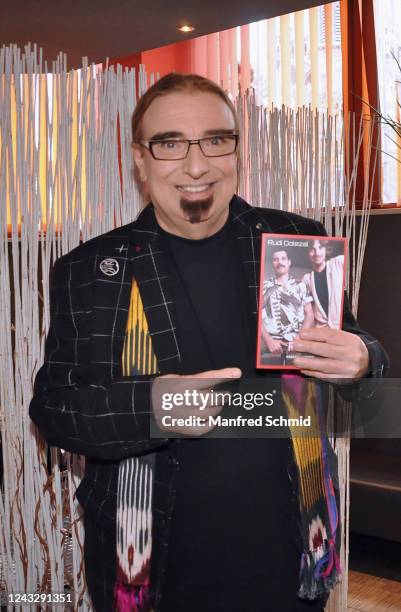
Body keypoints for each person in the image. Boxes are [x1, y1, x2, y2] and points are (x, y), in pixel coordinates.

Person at [29, 73, 388, 612]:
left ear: (236, 149)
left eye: (216, 140)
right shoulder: (91, 271)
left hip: (291, 550)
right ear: (140, 160)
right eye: (170, 144)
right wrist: (154, 406)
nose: (196, 166)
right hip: (151, 568)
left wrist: (364, 359)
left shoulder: (297, 243)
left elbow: (356, 361)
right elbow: (56, 409)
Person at [261, 249, 314, 364]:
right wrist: (268, 340)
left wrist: (299, 339)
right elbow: (257, 317)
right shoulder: (264, 286)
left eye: (283, 258)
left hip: (296, 345)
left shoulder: (300, 285)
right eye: (275, 259)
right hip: (272, 346)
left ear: (289, 262)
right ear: (272, 263)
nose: (279, 262)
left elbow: (309, 314)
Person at [303, 239, 344, 329]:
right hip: (321, 330)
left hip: (341, 329)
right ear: (308, 253)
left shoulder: (338, 263)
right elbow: (307, 310)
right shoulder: (307, 278)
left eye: (320, 247)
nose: (317, 253)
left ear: (326, 249)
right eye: (312, 249)